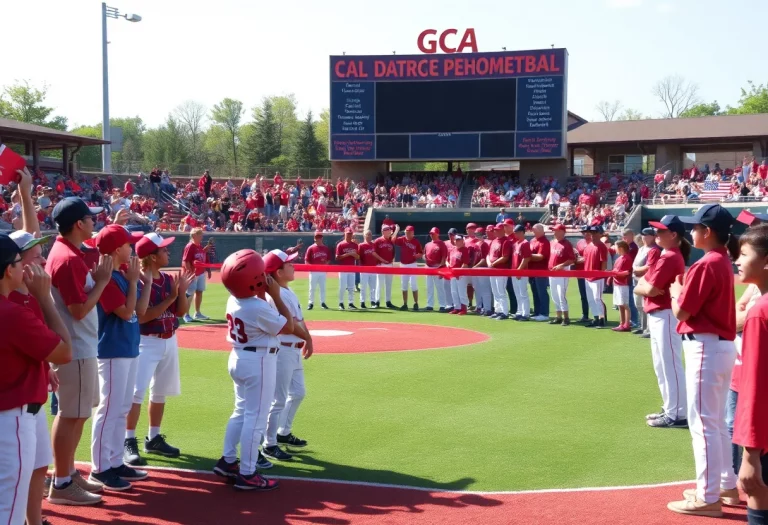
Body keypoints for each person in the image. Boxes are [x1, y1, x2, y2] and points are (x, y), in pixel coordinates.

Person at [666, 204, 739, 517]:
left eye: (695, 227)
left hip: (706, 345)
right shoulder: (720, 260)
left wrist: (674, 291)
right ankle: (725, 484)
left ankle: (708, 496)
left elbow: (682, 312)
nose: (691, 231)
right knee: (716, 423)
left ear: (708, 232)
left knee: (703, 423)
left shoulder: (707, 263)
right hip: (719, 346)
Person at [0, 233, 72, 525]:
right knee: (9, 512)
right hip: (11, 421)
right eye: (19, 262)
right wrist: (45, 298)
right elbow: (65, 352)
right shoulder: (12, 314)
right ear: (9, 270)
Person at [46, 197, 112, 506]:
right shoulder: (68, 258)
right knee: (71, 413)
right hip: (75, 347)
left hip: (77, 346)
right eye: (90, 217)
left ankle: (67, 473)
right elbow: (79, 309)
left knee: (75, 413)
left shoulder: (68, 252)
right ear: (78, 224)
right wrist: (101, 282)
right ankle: (61, 482)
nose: (94, 221)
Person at [214, 250, 294, 491]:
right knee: (255, 418)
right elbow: (288, 324)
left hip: (239, 357)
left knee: (240, 412)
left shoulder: (234, 299)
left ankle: (228, 461)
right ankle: (248, 473)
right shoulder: (257, 307)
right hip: (258, 361)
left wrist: (260, 290)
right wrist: (276, 295)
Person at [90, 225, 152, 490]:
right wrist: (134, 281)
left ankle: (115, 462)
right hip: (112, 350)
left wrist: (142, 282)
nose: (132, 249)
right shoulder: (108, 278)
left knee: (121, 409)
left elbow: (139, 309)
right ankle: (100, 468)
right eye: (129, 245)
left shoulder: (122, 275)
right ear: (117, 249)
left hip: (128, 347)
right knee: (109, 410)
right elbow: (126, 313)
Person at [124, 233, 195, 467]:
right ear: (152, 257)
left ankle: (153, 437)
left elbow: (181, 312)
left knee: (160, 392)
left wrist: (182, 292)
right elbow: (144, 317)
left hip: (168, 339)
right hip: (146, 341)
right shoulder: (139, 280)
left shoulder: (166, 278)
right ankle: (128, 440)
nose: (168, 252)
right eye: (163, 250)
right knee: (136, 393)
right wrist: (172, 297)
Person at [635, 216, 689, 429]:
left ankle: (678, 413)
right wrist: (642, 285)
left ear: (673, 234)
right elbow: (644, 284)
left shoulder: (669, 257)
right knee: (661, 364)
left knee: (670, 364)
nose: (656, 235)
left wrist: (640, 286)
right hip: (659, 314)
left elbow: (646, 288)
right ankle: (671, 408)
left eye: (661, 231)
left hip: (665, 313)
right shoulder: (666, 255)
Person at [262, 250, 314, 462]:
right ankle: (269, 443)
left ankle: (283, 432)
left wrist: (308, 338)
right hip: (282, 349)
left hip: (293, 349)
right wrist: (308, 339)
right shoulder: (276, 295)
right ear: (278, 271)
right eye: (289, 264)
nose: (293, 266)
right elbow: (288, 325)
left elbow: (299, 320)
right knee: (278, 400)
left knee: (298, 392)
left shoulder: (287, 291)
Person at [732, 223, 768, 525]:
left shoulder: (760, 312)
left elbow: (755, 385)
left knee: (759, 499)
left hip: (765, 438)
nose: (737, 260)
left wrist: (749, 455)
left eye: (744, 254)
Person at [632, 228, 661, 338]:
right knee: (638, 304)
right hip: (636, 279)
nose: (644, 237)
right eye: (643, 234)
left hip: (646, 280)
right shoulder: (641, 248)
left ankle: (649, 329)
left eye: (647, 235)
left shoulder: (654, 250)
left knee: (645, 305)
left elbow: (650, 266)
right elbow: (635, 263)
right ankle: (642, 326)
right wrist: (635, 268)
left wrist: (637, 269)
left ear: (653, 236)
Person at [548, 224, 576, 326]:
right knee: (554, 295)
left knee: (561, 295)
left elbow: (572, 259)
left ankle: (566, 317)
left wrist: (562, 265)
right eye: (554, 230)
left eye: (556, 230)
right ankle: (558, 316)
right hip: (552, 272)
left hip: (562, 272)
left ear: (562, 232)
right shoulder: (552, 242)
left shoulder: (566, 244)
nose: (554, 232)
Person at [582, 225, 608, 328]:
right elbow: (584, 259)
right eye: (591, 233)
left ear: (600, 234)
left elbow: (604, 263)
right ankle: (596, 317)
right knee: (591, 299)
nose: (593, 235)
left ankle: (601, 319)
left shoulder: (601, 246)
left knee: (597, 298)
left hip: (597, 277)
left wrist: (601, 274)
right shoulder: (589, 246)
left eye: (595, 233)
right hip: (587, 276)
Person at [182, 228, 210, 322]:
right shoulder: (190, 246)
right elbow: (186, 261)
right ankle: (186, 314)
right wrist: (190, 273)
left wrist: (208, 270)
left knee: (199, 292)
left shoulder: (199, 246)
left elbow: (203, 258)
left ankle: (197, 313)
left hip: (200, 273)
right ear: (194, 236)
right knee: (190, 293)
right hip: (192, 274)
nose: (202, 237)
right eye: (200, 235)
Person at [393, 225, 423, 311]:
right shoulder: (402, 239)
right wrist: (396, 230)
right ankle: (405, 304)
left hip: (412, 264)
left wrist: (418, 255)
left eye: (409, 232)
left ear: (413, 233)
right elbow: (393, 240)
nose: (407, 233)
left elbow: (420, 252)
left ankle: (416, 303)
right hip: (403, 264)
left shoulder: (416, 242)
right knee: (404, 285)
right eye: (406, 232)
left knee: (413, 284)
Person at [488, 223, 512, 320]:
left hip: (501, 269)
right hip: (492, 269)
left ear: (503, 230)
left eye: (498, 230)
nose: (495, 231)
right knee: (495, 291)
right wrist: (489, 262)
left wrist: (493, 264)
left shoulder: (506, 241)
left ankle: (504, 312)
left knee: (501, 291)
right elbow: (488, 255)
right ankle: (497, 310)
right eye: (495, 230)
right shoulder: (493, 241)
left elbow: (505, 257)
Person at [528, 224, 551, 322]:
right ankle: (537, 312)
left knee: (542, 292)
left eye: (535, 230)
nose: (533, 231)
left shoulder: (544, 241)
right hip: (532, 270)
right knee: (535, 292)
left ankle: (544, 313)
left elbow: (541, 256)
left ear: (541, 230)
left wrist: (527, 255)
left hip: (541, 270)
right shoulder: (533, 240)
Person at [374, 224, 399, 309]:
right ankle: (377, 301)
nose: (389, 231)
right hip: (380, 265)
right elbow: (374, 253)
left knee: (389, 284)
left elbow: (394, 238)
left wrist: (397, 230)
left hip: (389, 264)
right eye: (387, 230)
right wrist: (381, 260)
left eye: (389, 230)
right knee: (379, 284)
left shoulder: (390, 241)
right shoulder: (377, 241)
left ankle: (388, 301)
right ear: (383, 231)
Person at [610, 241, 633, 332]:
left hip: (623, 284)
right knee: (620, 304)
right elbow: (616, 270)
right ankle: (621, 323)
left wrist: (615, 274)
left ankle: (627, 324)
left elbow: (626, 273)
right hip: (617, 283)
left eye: (615, 247)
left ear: (621, 248)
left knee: (625, 304)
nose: (614, 249)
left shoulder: (626, 258)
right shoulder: (620, 258)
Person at [510, 225, 532, 321]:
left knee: (523, 293)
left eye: (517, 232)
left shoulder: (525, 243)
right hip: (515, 271)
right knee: (517, 294)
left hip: (521, 271)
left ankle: (525, 313)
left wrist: (519, 270)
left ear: (522, 232)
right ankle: (519, 312)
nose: (515, 234)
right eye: (515, 232)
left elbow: (526, 258)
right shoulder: (516, 243)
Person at [305, 231, 331, 310]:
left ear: (322, 238)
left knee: (322, 287)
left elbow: (328, 259)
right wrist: (310, 268)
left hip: (322, 271)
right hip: (314, 271)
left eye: (319, 238)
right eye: (316, 238)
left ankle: (322, 302)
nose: (317, 239)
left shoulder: (326, 248)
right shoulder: (311, 248)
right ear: (314, 238)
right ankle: (310, 303)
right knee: (312, 288)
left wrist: (325, 266)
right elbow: (306, 260)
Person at [424, 227, 448, 312]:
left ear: (438, 234)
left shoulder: (441, 244)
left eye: (433, 233)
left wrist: (441, 268)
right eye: (431, 234)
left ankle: (442, 305)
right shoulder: (427, 244)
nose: (432, 235)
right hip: (428, 267)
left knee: (440, 287)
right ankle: (429, 305)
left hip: (438, 267)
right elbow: (425, 256)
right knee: (429, 287)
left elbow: (444, 257)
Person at [335, 228, 359, 310]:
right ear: (344, 234)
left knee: (351, 287)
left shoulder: (355, 245)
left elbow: (358, 257)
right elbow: (337, 257)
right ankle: (341, 303)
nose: (349, 235)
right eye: (347, 233)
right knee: (342, 286)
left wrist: (354, 254)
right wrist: (349, 254)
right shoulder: (341, 245)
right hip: (343, 268)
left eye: (350, 234)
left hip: (352, 268)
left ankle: (351, 303)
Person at [471, 226, 493, 316]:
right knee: (478, 289)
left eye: (479, 234)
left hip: (483, 268)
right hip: (477, 268)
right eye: (476, 234)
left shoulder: (484, 244)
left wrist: (475, 266)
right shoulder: (477, 244)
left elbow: (484, 259)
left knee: (485, 290)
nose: (477, 235)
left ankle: (487, 308)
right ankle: (480, 307)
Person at [621, 229, 640, 328]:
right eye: (623, 237)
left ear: (632, 235)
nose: (624, 238)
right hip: (627, 276)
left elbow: (629, 263)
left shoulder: (633, 248)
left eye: (626, 236)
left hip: (631, 275)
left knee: (632, 300)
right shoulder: (628, 247)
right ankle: (633, 320)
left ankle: (635, 320)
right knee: (629, 299)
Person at [447, 235, 470, 315]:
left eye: (459, 240)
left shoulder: (464, 250)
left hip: (461, 275)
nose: (457, 241)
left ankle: (464, 308)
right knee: (454, 292)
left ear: (462, 241)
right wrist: (448, 265)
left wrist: (459, 272)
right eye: (456, 240)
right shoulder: (452, 250)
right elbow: (447, 260)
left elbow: (465, 263)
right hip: (453, 274)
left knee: (461, 292)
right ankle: (457, 307)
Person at [574, 227, 591, 323]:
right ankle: (585, 315)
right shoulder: (580, 242)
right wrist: (576, 259)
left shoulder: (593, 242)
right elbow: (577, 256)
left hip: (590, 272)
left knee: (595, 296)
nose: (585, 234)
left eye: (587, 232)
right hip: (580, 271)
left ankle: (600, 316)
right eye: (583, 232)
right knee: (583, 295)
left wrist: (584, 259)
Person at [357, 230, 378, 309]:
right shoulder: (361, 245)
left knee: (373, 286)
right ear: (364, 236)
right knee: (363, 286)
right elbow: (359, 257)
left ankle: (373, 301)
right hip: (364, 268)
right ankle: (362, 302)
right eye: (367, 235)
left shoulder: (374, 245)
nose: (369, 236)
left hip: (373, 267)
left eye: (370, 234)